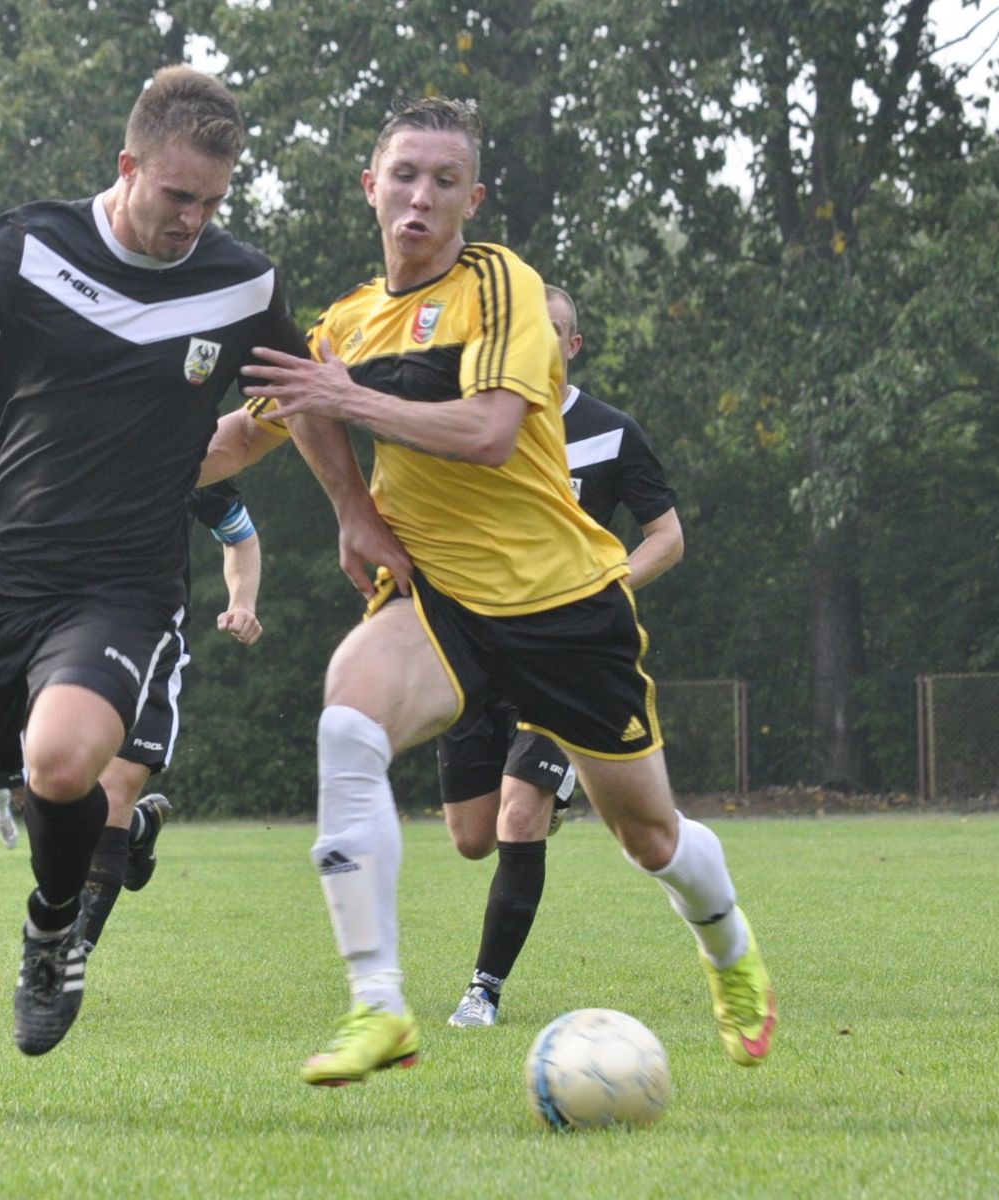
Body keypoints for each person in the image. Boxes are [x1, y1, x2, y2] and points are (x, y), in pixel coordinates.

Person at [225, 97, 774, 1085]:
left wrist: (345, 399)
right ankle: (379, 1006)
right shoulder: (344, 323)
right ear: (371, 188)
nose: (421, 197)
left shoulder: (501, 286)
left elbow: (486, 434)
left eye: (445, 181)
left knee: (650, 837)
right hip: (439, 601)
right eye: (405, 176)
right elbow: (252, 432)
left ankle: (730, 950)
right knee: (348, 716)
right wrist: (110, 463)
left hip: (563, 607)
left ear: (472, 198)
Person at [0, 66, 312, 1121]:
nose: (194, 220)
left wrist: (339, 506)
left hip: (120, 584)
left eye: (213, 202)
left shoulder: (245, 284)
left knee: (58, 761)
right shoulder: (28, 245)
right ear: (128, 165)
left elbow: (296, 405)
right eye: (177, 194)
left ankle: (56, 923)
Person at [436, 283, 686, 1028]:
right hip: (477, 657)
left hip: (567, 656)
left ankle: (483, 989)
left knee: (518, 811)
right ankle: (547, 797)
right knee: (473, 837)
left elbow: (667, 536)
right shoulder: (474, 425)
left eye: (555, 333)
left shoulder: (611, 432)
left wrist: (600, 587)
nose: (540, 344)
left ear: (573, 346)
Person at [73, 479, 264, 954]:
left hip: (148, 640)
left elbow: (238, 533)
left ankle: (61, 967)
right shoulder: (52, 428)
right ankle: (137, 831)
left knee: (111, 795)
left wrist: (242, 602)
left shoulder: (189, 446)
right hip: (61, 637)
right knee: (57, 803)